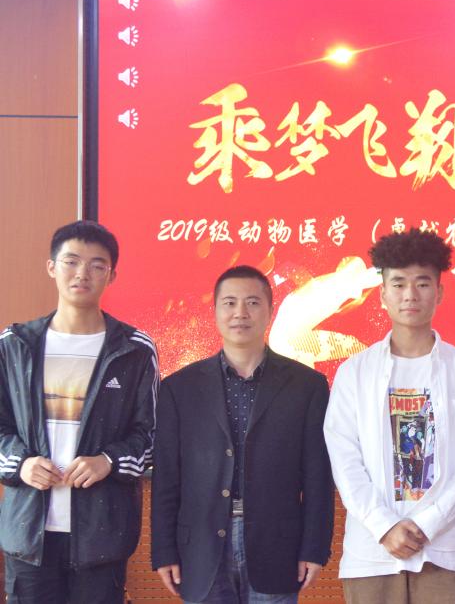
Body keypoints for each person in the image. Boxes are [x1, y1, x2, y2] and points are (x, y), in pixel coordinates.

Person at [324, 229, 455, 604]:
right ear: (383, 294)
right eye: (398, 284)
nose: (410, 295)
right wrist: (384, 526)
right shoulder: (355, 372)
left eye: (422, 283)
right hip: (373, 551)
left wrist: (428, 523)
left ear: (439, 292)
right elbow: (344, 456)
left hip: (443, 550)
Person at [151, 265, 334, 603]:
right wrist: (163, 550)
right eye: (230, 303)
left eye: (252, 302)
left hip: (278, 546)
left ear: (270, 311)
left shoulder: (307, 386)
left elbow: (317, 475)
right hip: (200, 547)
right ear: (215, 311)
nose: (240, 313)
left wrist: (314, 547)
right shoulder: (179, 388)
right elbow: (167, 478)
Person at [0, 220, 159, 603]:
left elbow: (152, 436)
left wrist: (109, 460)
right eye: (71, 261)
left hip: (102, 536)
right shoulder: (14, 344)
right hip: (29, 535)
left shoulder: (135, 350)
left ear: (112, 275)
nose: (82, 273)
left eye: (96, 265)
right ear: (52, 267)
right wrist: (21, 464)